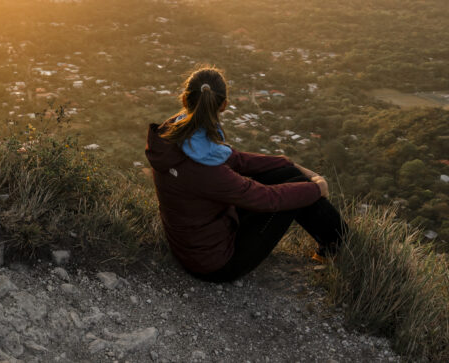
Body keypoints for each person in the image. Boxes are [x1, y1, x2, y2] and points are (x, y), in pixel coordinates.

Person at [145, 66, 347, 282]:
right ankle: (339, 245)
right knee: (297, 189)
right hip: (215, 264)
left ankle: (333, 244)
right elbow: (267, 199)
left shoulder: (175, 135)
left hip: (195, 242)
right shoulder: (206, 169)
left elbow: (236, 159)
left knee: (286, 173)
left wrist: (288, 163)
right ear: (224, 105)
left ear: (185, 100)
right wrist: (317, 188)